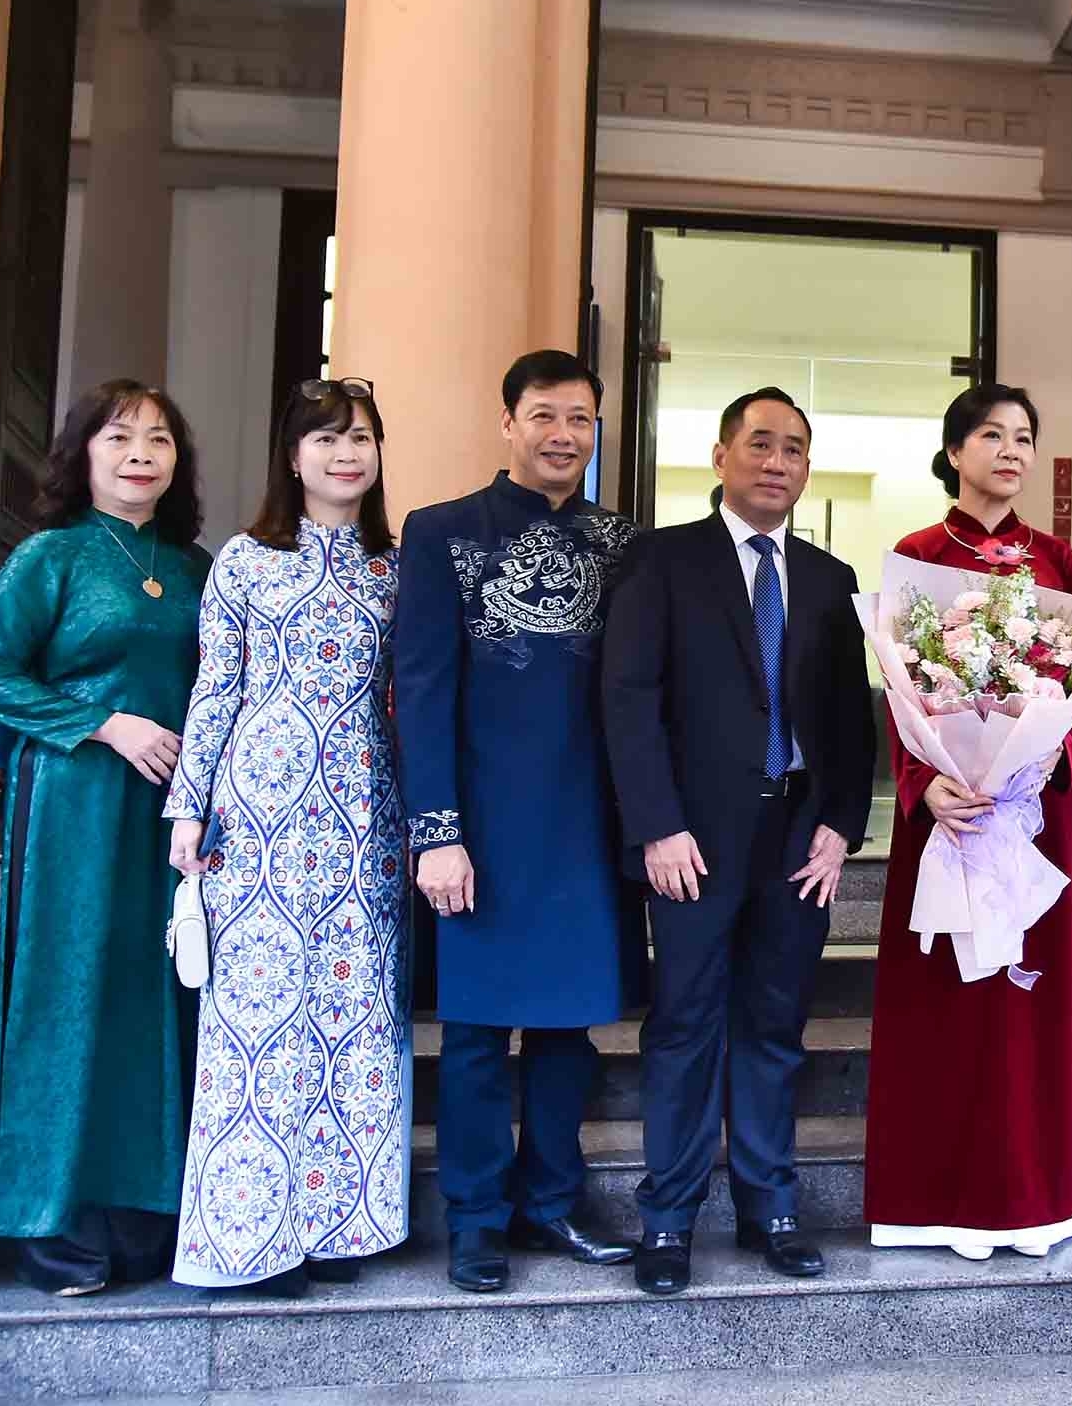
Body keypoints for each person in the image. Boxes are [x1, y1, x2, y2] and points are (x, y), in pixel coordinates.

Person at [603, 386, 875, 1296]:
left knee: (773, 1025)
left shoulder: (832, 580)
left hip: (798, 836)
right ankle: (669, 1221)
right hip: (694, 837)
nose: (777, 461)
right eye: (760, 444)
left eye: (795, 449)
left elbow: (848, 719)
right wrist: (657, 825)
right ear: (720, 456)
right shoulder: (663, 560)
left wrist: (841, 824)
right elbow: (629, 698)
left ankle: (773, 1209)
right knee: (683, 1025)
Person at [394, 350, 642, 1294]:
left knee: (569, 1032)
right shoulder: (441, 532)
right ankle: (475, 1220)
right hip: (480, 825)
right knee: (472, 1034)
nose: (563, 436)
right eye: (544, 415)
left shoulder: (623, 544)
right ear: (507, 423)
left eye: (580, 419)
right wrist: (437, 829)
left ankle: (553, 1206)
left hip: (584, 824)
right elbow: (420, 689)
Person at [0, 379, 215, 1294]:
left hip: (176, 815)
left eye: (158, 438)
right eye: (120, 437)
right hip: (75, 802)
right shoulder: (50, 557)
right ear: (83, 453)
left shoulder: (196, 566)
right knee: (70, 992)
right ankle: (51, 1214)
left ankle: (147, 1203)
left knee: (159, 994)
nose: (141, 452)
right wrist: (106, 724)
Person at [164, 379, 407, 1295]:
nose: (348, 453)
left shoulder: (399, 564)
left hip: (366, 817)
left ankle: (344, 1228)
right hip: (258, 815)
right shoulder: (245, 559)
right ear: (293, 455)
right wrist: (189, 809)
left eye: (363, 438)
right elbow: (214, 688)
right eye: (328, 438)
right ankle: (251, 1240)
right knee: (258, 1027)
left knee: (352, 1019)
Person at [862, 385, 1072, 1261]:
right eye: (992, 435)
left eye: (1025, 437)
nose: (1011, 450)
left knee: (1029, 1008)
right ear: (956, 451)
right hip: (950, 813)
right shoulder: (916, 555)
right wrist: (925, 777)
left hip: (1034, 811)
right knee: (951, 1002)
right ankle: (935, 1198)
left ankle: (1045, 1198)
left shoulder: (1059, 563)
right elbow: (901, 692)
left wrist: (1046, 761)